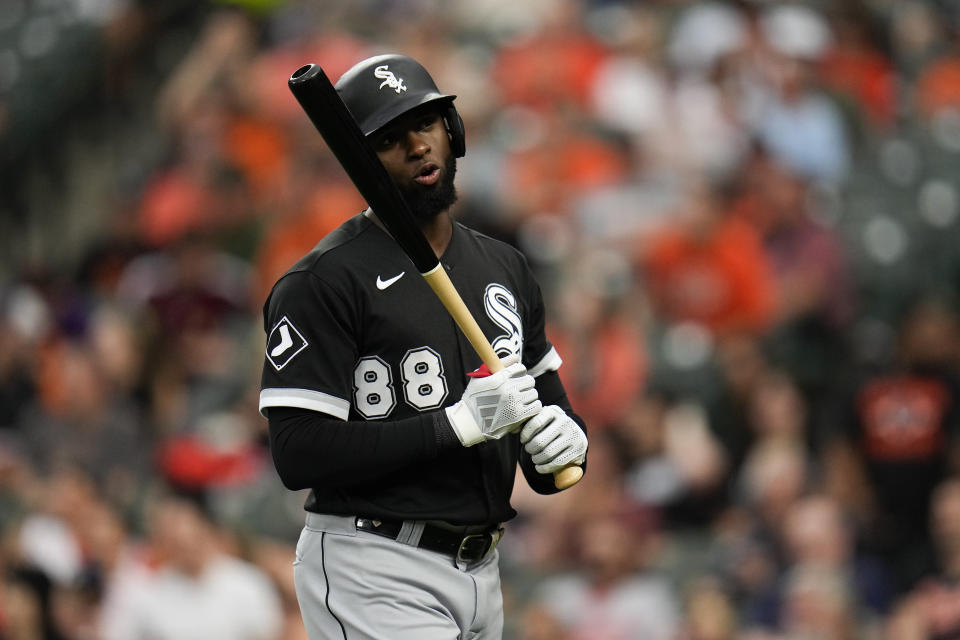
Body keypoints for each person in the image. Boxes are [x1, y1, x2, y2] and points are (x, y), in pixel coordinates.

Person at [258, 53, 589, 639]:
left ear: (453, 131)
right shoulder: (324, 281)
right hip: (375, 562)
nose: (418, 146)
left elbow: (546, 421)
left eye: (427, 123)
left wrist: (564, 439)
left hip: (483, 567)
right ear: (362, 162)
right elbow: (297, 452)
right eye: (390, 138)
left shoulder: (503, 265)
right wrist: (452, 426)